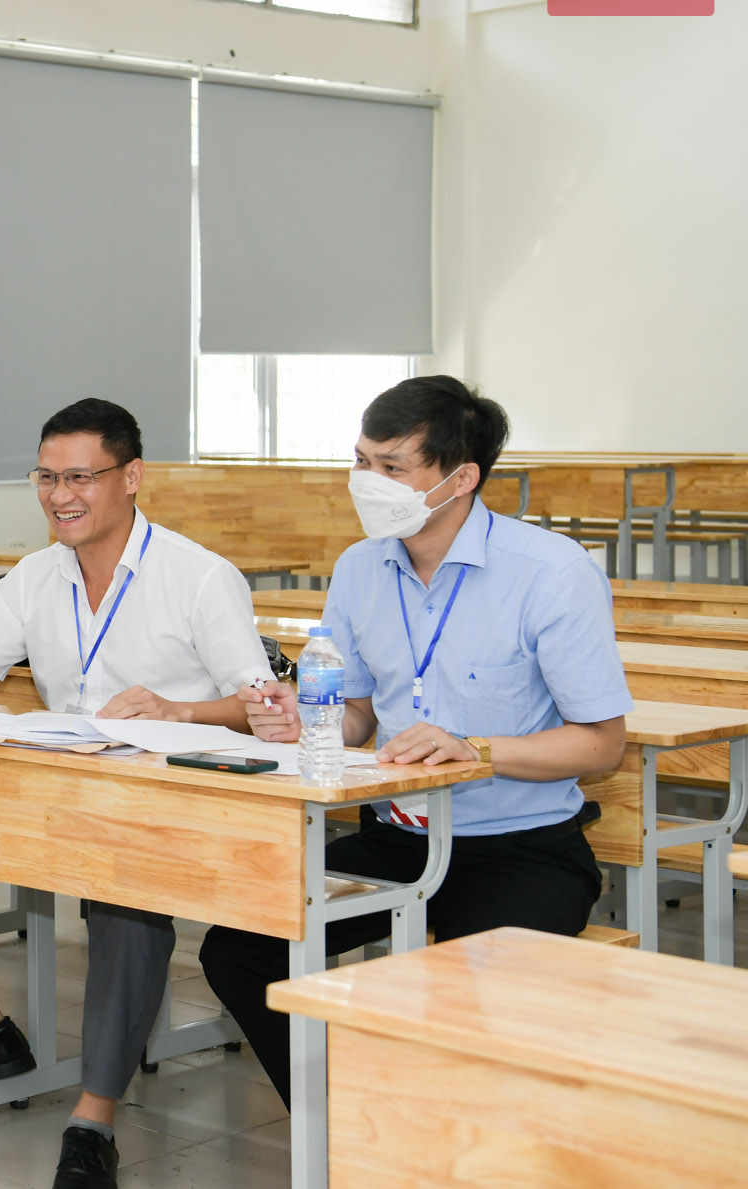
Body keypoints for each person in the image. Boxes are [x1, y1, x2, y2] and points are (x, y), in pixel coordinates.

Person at [0, 398, 273, 1189]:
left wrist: (177, 709)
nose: (60, 495)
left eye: (79, 476)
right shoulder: (36, 574)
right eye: (46, 477)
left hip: (162, 799)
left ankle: (93, 1118)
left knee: (125, 895)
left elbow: (259, 705)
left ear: (132, 476)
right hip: (59, 782)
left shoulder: (198, 576)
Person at [200, 375, 629, 1106]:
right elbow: (357, 716)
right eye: (361, 461)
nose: (367, 482)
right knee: (239, 949)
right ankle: (347, 1125)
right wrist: (303, 722)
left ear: (461, 478)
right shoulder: (360, 568)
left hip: (519, 849)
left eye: (392, 467)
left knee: (468, 1000)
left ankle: (430, 1133)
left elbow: (601, 746)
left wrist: (477, 749)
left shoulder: (553, 573)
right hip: (398, 839)